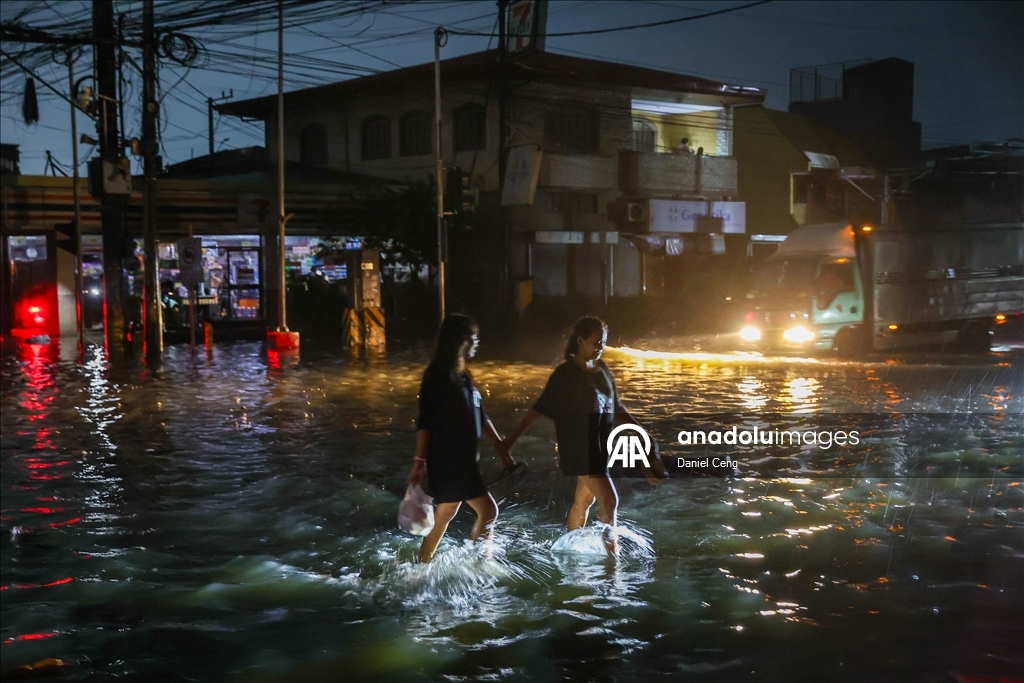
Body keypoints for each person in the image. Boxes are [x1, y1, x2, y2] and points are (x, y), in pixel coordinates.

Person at [502, 316, 664, 557]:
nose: (600, 347)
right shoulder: (565, 373)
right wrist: (509, 442)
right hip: (578, 448)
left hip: (598, 447)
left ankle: (568, 549)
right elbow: (538, 409)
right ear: (580, 341)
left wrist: (641, 431)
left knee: (584, 502)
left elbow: (616, 406)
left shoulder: (602, 370)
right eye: (595, 342)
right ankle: (613, 564)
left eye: (603, 343)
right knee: (609, 502)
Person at [408, 314, 515, 563]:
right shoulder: (436, 376)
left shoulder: (463, 376)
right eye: (474, 337)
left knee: (447, 511)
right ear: (460, 340)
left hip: (465, 458)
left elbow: (481, 415)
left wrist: (500, 446)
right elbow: (425, 423)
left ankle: (422, 564)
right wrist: (419, 462)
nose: (477, 342)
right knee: (488, 511)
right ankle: (480, 564)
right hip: (448, 459)